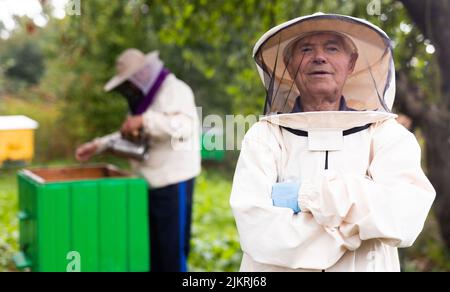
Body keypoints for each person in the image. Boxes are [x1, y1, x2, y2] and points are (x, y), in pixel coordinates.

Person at [230, 13, 436, 272]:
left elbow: (402, 218)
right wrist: (359, 230)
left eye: (332, 48)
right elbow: (259, 233)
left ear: (351, 63)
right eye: (306, 49)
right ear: (289, 63)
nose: (319, 57)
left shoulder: (386, 135)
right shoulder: (263, 137)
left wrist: (307, 196)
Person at [75, 48, 201, 272]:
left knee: (172, 253)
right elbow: (129, 132)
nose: (129, 88)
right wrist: (97, 145)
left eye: (129, 81)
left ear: (143, 74)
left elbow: (185, 126)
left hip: (173, 183)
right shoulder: (146, 100)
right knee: (153, 251)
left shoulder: (175, 90)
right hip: (146, 184)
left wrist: (145, 120)